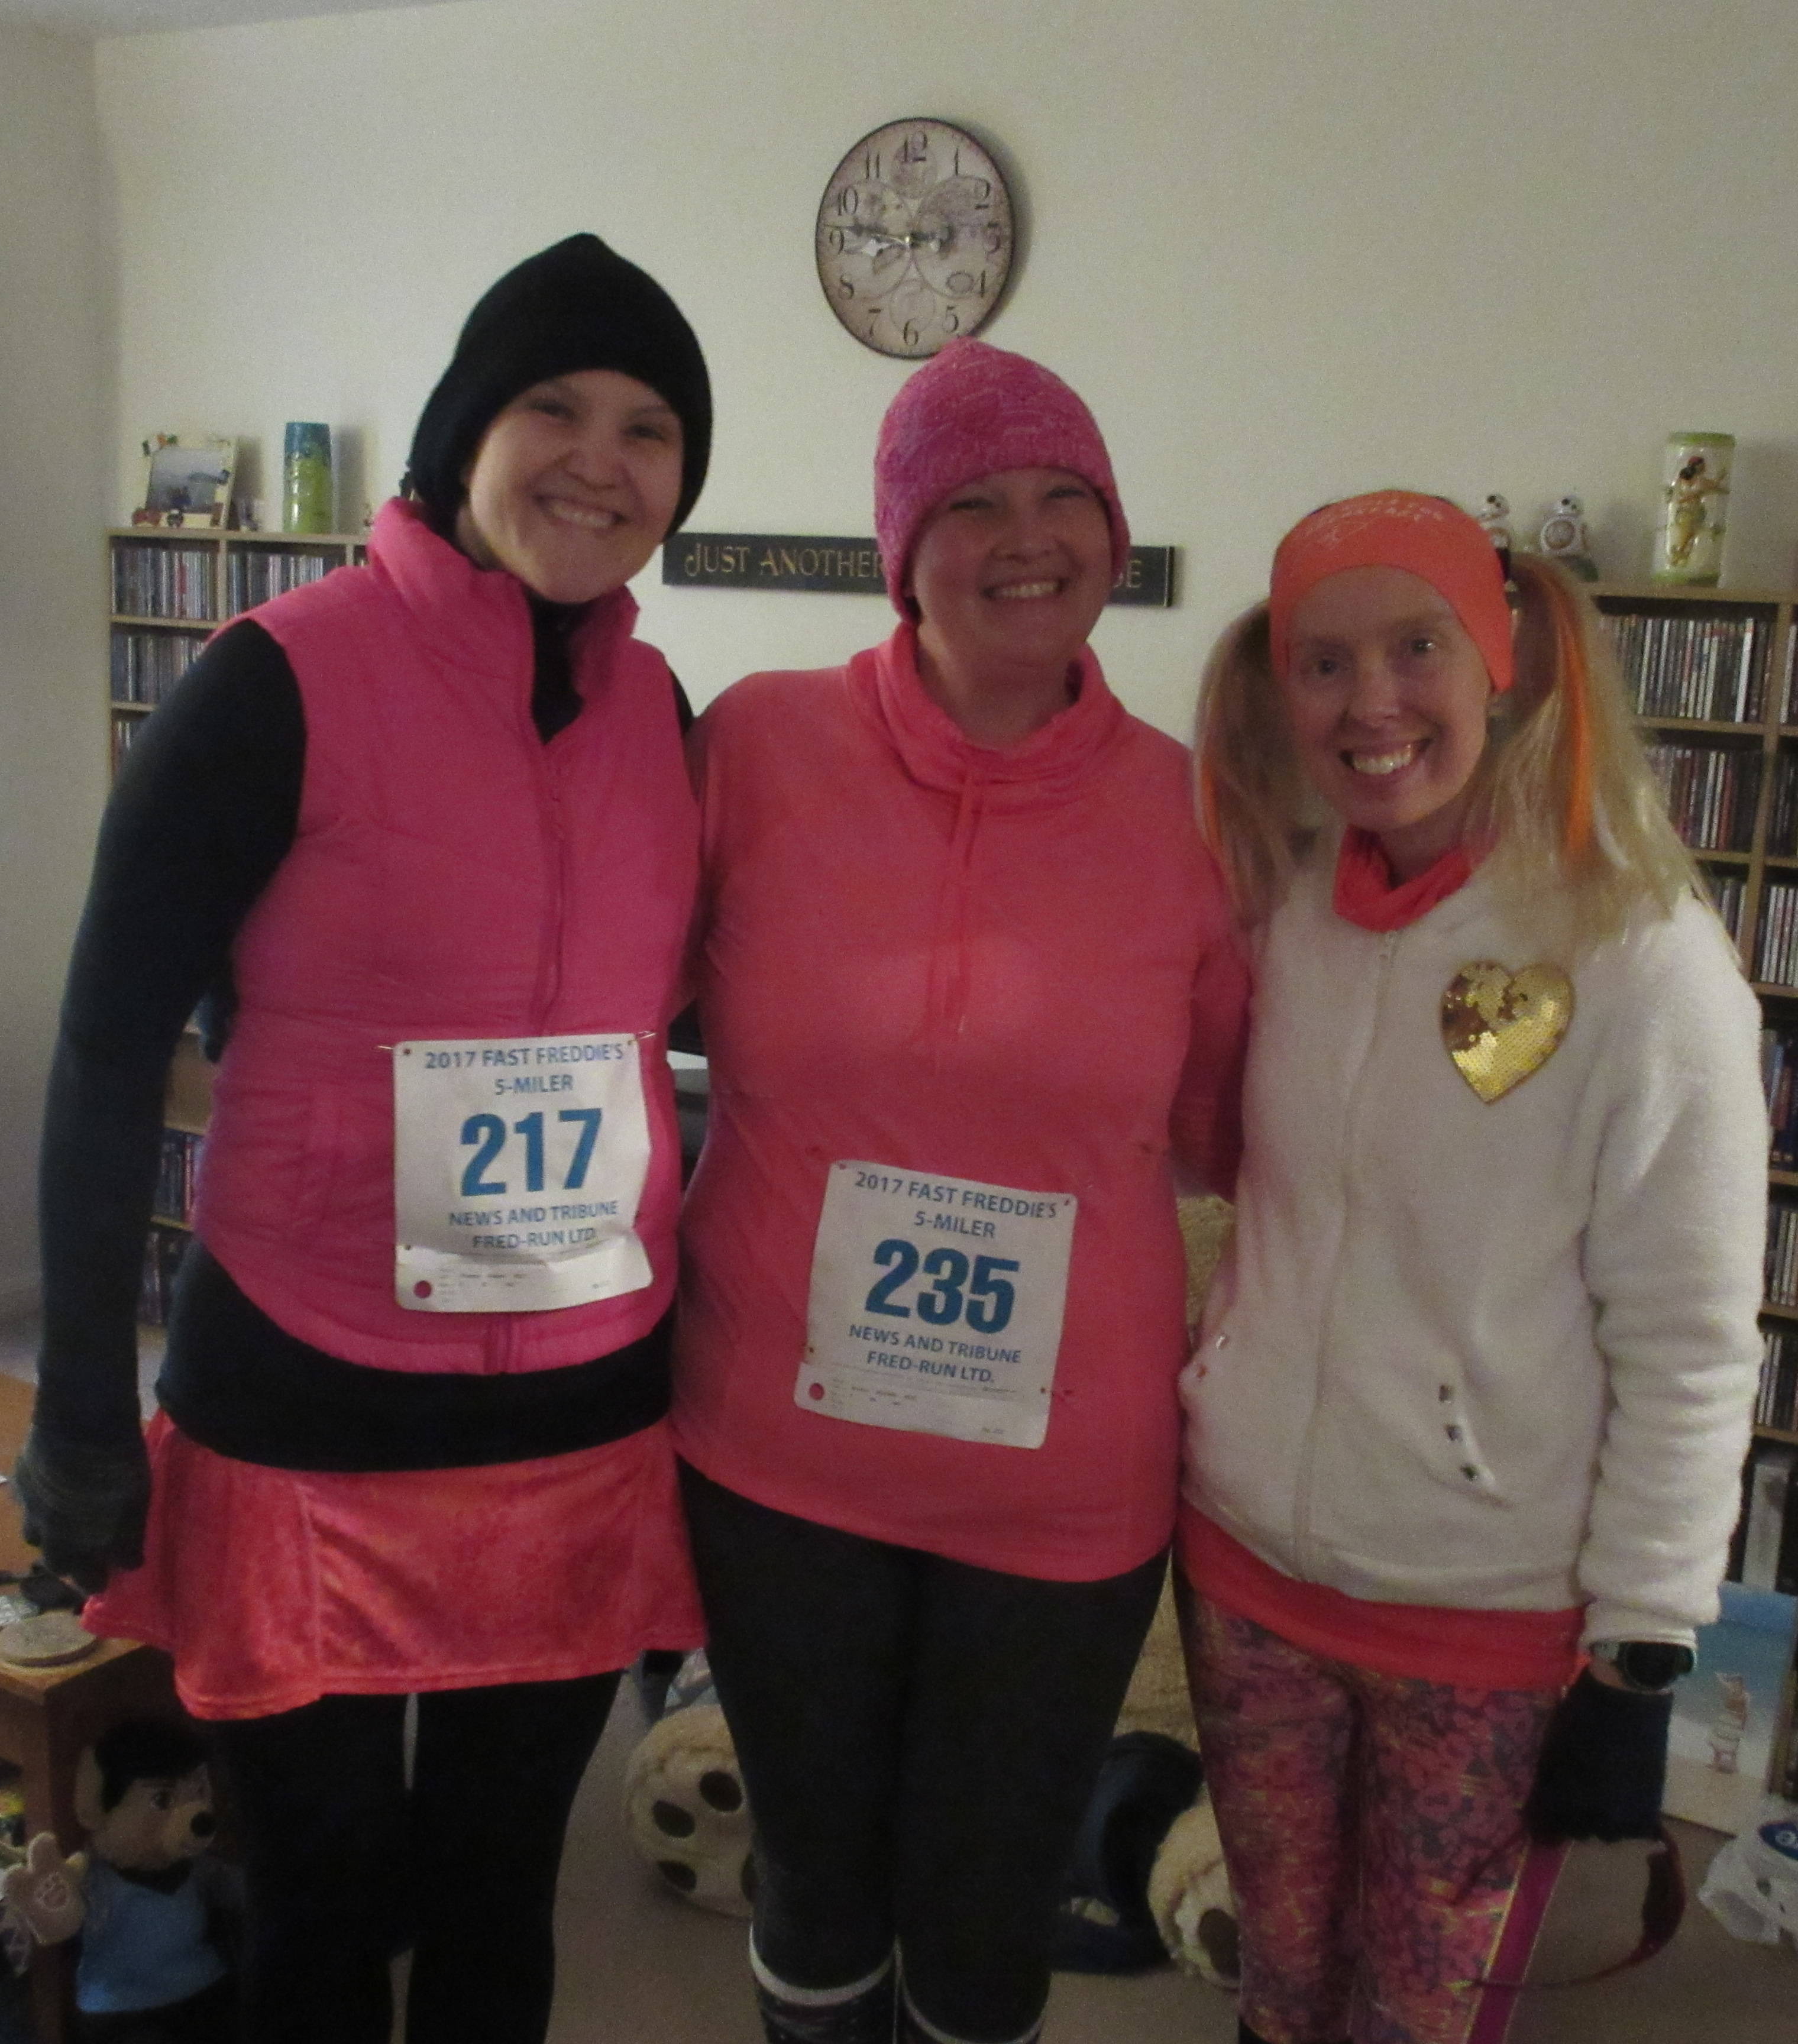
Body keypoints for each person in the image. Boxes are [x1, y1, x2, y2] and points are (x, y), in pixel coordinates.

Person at [11, 234, 713, 2044]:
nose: (599, 460)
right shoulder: (274, 678)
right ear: (465, 428)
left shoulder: (662, 716)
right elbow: (105, 1048)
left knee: (497, 1905)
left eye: (649, 429)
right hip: (306, 1405)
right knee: (318, 1918)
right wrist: (76, 1403)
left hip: (575, 1417)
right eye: (553, 407)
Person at [674, 338, 1249, 2044]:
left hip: (1060, 1488)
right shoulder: (757, 745)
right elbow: (600, 977)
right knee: (812, 1880)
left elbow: (1223, 1130)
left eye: (1067, 497)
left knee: (990, 1917)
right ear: (900, 548)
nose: (1029, 537)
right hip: (777, 1457)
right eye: (973, 503)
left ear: (1113, 533)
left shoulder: (1195, 814)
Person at [1181, 490, 1768, 2044]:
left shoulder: (1641, 957)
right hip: (1245, 1574)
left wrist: (1644, 1638)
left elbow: (1691, 1334)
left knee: (1412, 2015)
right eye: (1323, 663)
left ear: (1502, 659)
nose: (1370, 702)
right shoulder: (1284, 911)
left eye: (1416, 648)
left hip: (1482, 1615)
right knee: (1276, 1988)